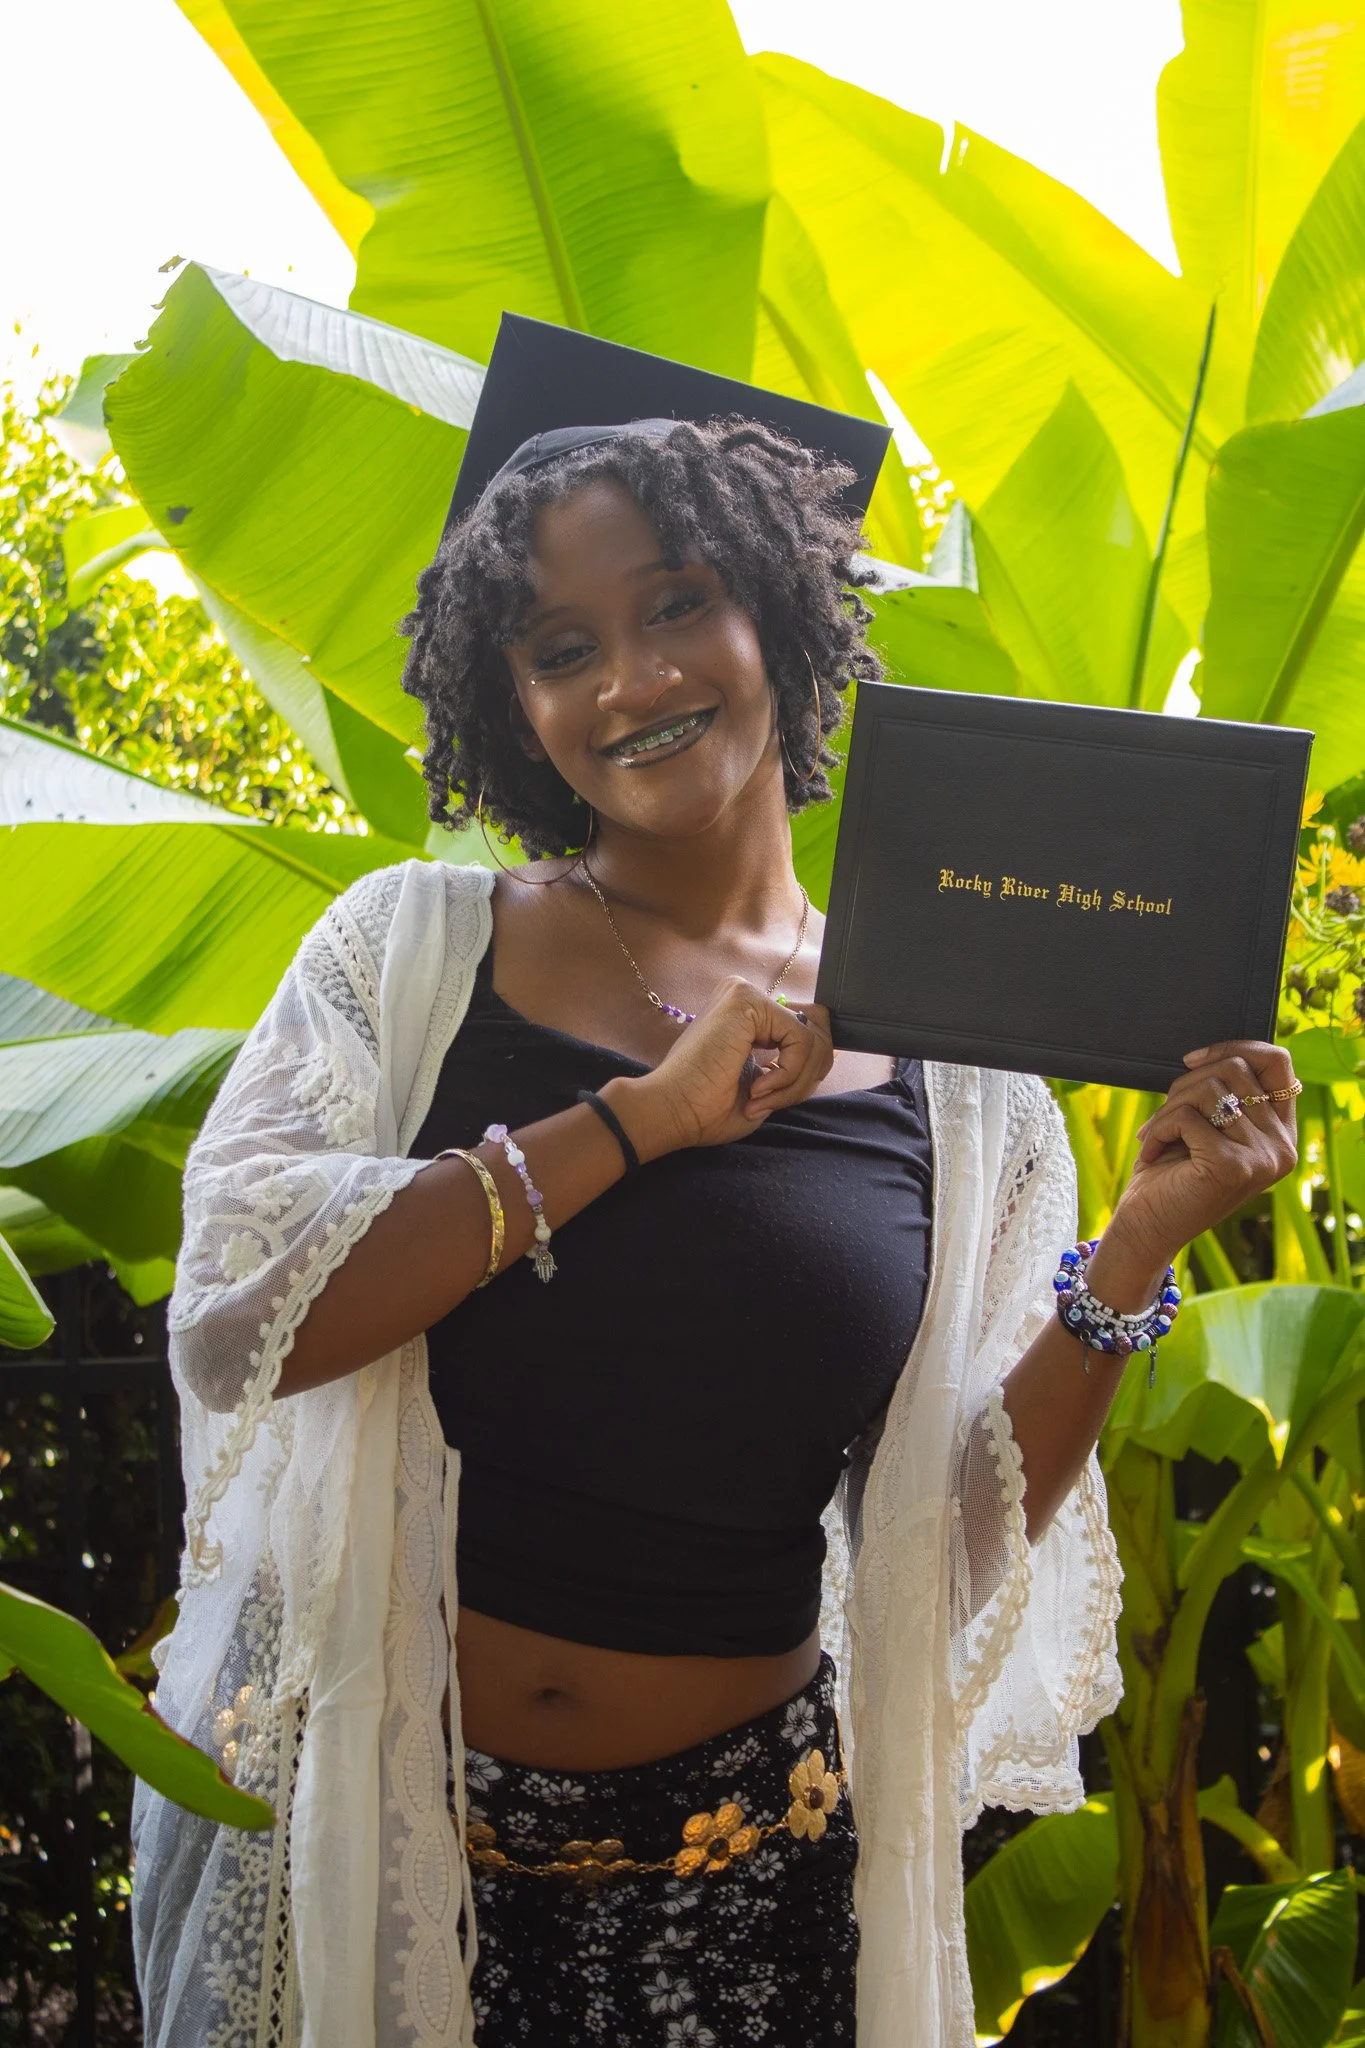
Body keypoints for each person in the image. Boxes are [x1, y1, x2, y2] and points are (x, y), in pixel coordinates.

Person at [131, 323, 1301, 2048]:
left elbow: (949, 1534)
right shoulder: (411, 957)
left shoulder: (955, 1060)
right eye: (561, 645)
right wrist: (633, 1129)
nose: (631, 680)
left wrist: (1140, 1240)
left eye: (678, 603)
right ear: (508, 701)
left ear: (776, 612)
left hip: (749, 1885)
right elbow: (240, 1321)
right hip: (402, 1856)